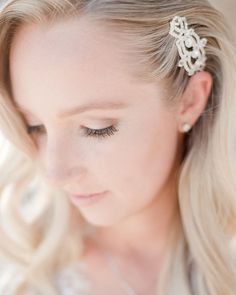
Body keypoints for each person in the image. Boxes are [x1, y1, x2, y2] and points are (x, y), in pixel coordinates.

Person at [0, 0, 236, 294]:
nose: (55, 173)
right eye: (35, 125)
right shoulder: (19, 268)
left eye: (96, 127)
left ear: (190, 100)